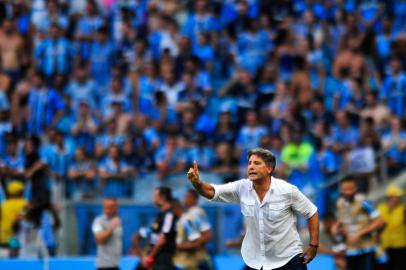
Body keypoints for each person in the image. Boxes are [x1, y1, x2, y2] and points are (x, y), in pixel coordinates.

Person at [187, 148, 320, 270]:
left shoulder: (287, 191)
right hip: (257, 261)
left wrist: (313, 245)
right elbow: (211, 192)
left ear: (269, 168)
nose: (251, 166)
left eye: (257, 163)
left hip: (288, 259)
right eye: (249, 163)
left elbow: (311, 212)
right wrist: (197, 183)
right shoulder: (241, 188)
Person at [336, 176, 386, 270]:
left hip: (366, 249)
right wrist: (338, 231)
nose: (347, 192)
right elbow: (342, 223)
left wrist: (360, 233)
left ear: (356, 189)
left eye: (350, 189)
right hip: (350, 251)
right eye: (344, 189)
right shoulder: (340, 204)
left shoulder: (363, 202)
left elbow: (380, 221)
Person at [139, 187, 177, 270]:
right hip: (155, 260)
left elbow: (162, 240)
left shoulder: (169, 215)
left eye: (155, 195)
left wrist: (150, 256)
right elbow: (153, 237)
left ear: (162, 197)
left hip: (163, 261)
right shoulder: (159, 215)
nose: (153, 198)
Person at [377, 185, 406, 270]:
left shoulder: (403, 209)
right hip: (385, 246)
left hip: (401, 246)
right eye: (397, 197)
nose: (399, 199)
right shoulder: (380, 209)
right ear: (390, 197)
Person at [92, 197, 122, 270]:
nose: (107, 210)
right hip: (104, 265)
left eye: (110, 207)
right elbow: (99, 241)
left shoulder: (117, 220)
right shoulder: (98, 221)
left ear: (116, 208)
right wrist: (111, 227)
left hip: (115, 264)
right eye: (105, 207)